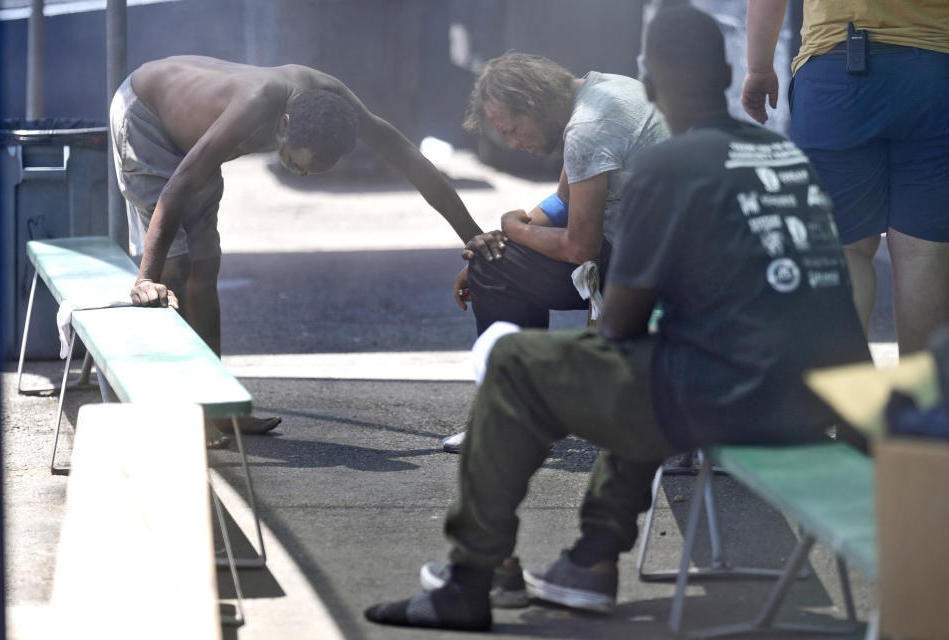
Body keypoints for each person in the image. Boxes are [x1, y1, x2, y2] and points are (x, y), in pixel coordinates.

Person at [364, 6, 871, 631]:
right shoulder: (786, 159)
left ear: (653, 86)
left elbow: (619, 325)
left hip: (731, 402)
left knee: (520, 362)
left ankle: (473, 577)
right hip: (817, 407)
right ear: (725, 73)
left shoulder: (664, 169)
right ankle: (590, 562)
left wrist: (553, 396)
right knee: (654, 372)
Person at [109, 55, 484, 437]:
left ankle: (216, 407)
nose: (299, 172)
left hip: (195, 145)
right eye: (293, 162)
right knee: (174, 271)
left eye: (308, 172)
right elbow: (178, 188)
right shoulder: (254, 104)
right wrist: (145, 278)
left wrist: (472, 234)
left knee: (205, 269)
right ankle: (179, 412)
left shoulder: (335, 104)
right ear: (283, 126)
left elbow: (410, 160)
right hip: (148, 118)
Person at [441, 51, 669, 452]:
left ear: (533, 103)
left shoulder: (587, 129)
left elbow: (580, 247)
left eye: (513, 130)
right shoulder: (607, 87)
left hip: (658, 271)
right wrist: (502, 241)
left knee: (494, 269)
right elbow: (565, 199)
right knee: (494, 260)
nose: (513, 144)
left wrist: (511, 228)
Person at [741, 0, 949, 355]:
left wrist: (760, 67)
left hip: (837, 74)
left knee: (843, 252)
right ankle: (924, 405)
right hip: (935, 71)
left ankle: (845, 405)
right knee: (923, 252)